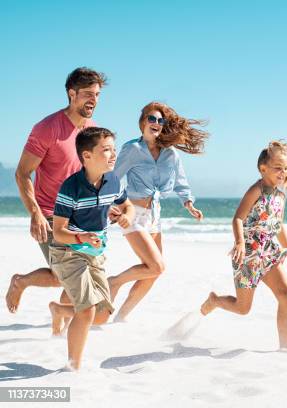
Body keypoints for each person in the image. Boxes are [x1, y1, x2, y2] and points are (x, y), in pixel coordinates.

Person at [6, 67, 107, 313]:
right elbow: (22, 173)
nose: (93, 99)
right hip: (51, 214)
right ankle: (24, 284)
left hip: (80, 215)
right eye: (87, 94)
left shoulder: (92, 130)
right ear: (72, 94)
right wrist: (35, 214)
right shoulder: (47, 128)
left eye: (97, 94)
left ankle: (57, 313)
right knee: (68, 275)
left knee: (68, 274)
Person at [200, 141, 287, 357]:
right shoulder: (256, 190)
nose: (283, 172)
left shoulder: (280, 196)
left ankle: (285, 344)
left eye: (286, 168)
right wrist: (239, 242)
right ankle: (215, 301)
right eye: (278, 167)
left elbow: (277, 226)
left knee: (286, 294)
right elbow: (238, 218)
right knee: (243, 308)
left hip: (268, 252)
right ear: (263, 169)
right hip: (248, 254)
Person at [109, 102, 207, 321]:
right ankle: (114, 282)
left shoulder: (170, 154)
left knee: (154, 272)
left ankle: (121, 316)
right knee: (156, 265)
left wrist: (188, 203)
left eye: (160, 120)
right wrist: (111, 204)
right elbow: (112, 177)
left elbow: (181, 182)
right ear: (143, 122)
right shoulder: (132, 149)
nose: (155, 123)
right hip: (133, 213)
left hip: (154, 216)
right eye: (151, 119)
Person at [48, 127, 134, 370]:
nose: (113, 155)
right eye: (106, 150)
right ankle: (72, 367)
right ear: (86, 156)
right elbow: (58, 231)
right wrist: (81, 237)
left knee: (103, 314)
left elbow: (127, 206)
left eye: (113, 149)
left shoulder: (113, 181)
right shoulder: (70, 188)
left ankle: (59, 310)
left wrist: (127, 215)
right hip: (68, 252)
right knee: (86, 311)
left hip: (96, 253)